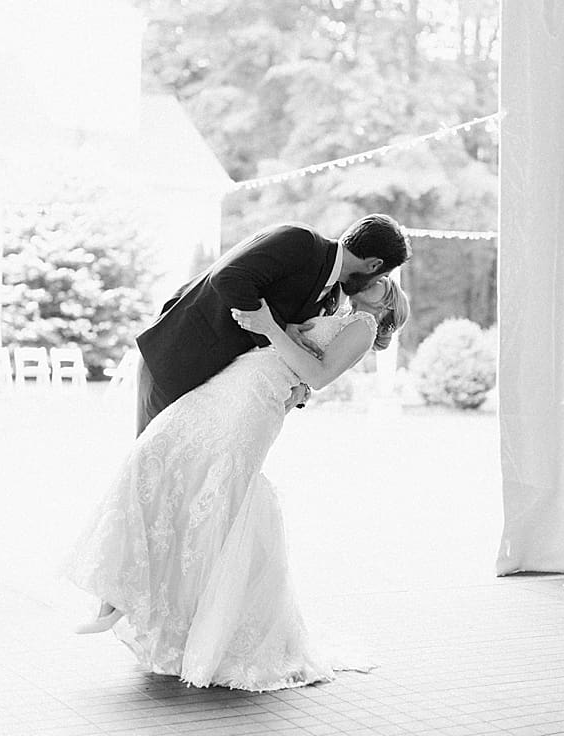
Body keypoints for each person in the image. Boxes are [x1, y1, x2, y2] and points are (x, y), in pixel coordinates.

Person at [67, 274, 410, 691]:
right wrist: (288, 336)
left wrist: (273, 333)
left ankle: (197, 628)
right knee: (154, 452)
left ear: (387, 302)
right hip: (234, 381)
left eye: (383, 283)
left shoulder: (364, 325)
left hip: (256, 399)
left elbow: (318, 375)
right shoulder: (336, 303)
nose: (375, 280)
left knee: (217, 497)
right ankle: (128, 594)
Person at [134, 214, 412, 435]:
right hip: (178, 359)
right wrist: (279, 327)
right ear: (374, 265)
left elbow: (296, 355)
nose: (379, 283)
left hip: (219, 390)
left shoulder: (332, 295)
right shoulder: (300, 241)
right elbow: (228, 279)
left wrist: (301, 390)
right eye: (383, 276)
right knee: (153, 472)